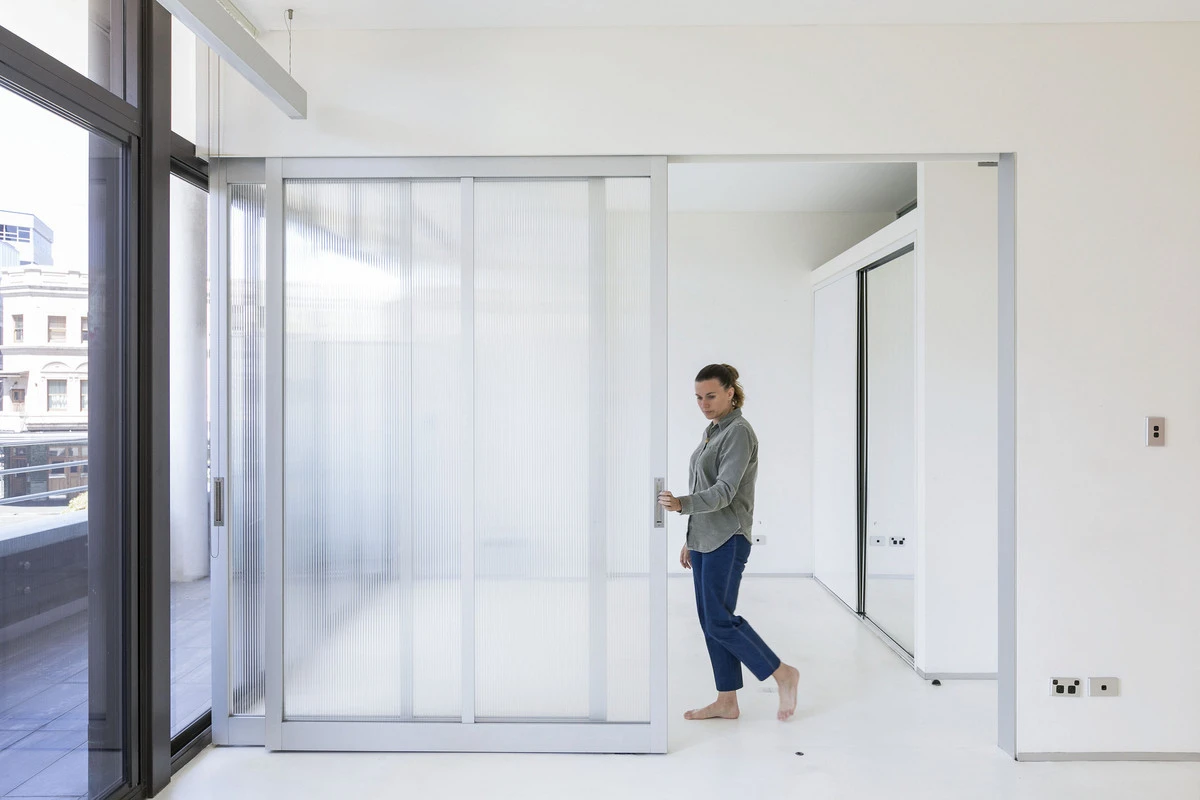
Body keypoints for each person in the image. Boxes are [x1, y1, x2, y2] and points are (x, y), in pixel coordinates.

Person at [658, 363, 800, 722]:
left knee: (720, 621)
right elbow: (706, 485)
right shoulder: (713, 431)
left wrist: (682, 504)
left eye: (711, 396)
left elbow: (723, 492)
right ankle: (726, 701)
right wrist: (691, 538)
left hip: (728, 538)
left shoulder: (738, 432)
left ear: (730, 393)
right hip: (705, 538)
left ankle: (783, 673)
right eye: (698, 398)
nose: (704, 404)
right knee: (711, 622)